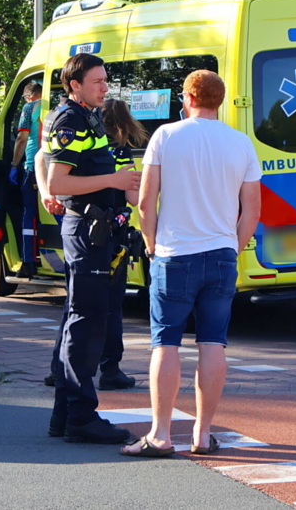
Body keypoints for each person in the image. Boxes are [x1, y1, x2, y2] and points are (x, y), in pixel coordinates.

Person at [121, 70, 262, 458]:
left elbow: (147, 202)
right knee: (213, 342)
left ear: (187, 98)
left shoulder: (165, 136)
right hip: (221, 255)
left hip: (174, 254)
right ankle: (202, 434)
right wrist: (233, 246)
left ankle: (161, 434)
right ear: (220, 100)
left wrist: (151, 244)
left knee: (165, 343)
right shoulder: (241, 143)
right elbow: (252, 210)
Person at [44, 53, 142, 445]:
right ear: (75, 85)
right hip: (86, 230)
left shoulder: (87, 116)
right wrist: (116, 179)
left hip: (93, 229)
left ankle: (65, 414)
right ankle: (82, 417)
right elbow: (58, 183)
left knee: (80, 321)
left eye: (105, 80)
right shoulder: (71, 120)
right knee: (87, 325)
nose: (105, 87)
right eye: (98, 81)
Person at [97, 98, 149, 391]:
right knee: (112, 306)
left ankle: (61, 367)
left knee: (77, 305)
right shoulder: (120, 151)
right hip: (112, 235)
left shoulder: (88, 148)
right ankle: (110, 369)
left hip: (84, 233)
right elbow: (132, 197)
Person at [10, 81, 42, 278]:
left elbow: (22, 139)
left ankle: (28, 261)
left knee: (29, 214)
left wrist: (14, 165)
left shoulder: (30, 107)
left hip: (33, 166)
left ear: (29, 96)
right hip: (56, 165)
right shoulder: (56, 106)